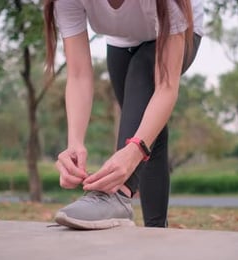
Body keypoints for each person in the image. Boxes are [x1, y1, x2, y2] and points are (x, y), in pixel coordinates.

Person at [44, 0, 203, 229]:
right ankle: (156, 233)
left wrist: (134, 149)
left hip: (181, 28)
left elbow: (166, 87)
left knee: (142, 75)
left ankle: (115, 194)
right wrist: (74, 143)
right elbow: (78, 75)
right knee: (146, 131)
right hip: (121, 40)